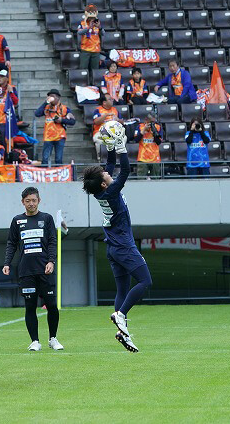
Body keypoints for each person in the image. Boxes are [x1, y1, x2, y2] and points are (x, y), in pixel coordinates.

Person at [81, 128, 151, 353]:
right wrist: (121, 148)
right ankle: (120, 315)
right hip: (123, 246)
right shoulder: (110, 191)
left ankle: (124, 333)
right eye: (106, 176)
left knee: (122, 289)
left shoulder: (102, 190)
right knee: (145, 281)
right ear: (104, 184)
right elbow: (126, 171)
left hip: (113, 248)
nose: (108, 174)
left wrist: (110, 146)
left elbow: (109, 166)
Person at [3, 187, 63, 352]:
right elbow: (11, 244)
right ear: (23, 202)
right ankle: (35, 341)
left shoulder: (47, 218)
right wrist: (7, 263)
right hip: (26, 271)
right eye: (28, 201)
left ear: (39, 201)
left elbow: (52, 241)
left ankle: (53, 338)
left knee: (52, 305)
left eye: (34, 200)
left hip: (45, 270)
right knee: (30, 306)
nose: (31, 203)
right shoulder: (17, 221)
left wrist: (51, 261)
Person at [34, 89, 75, 166]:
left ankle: (58, 173)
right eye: (49, 96)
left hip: (60, 136)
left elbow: (73, 121)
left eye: (52, 96)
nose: (51, 98)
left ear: (58, 97)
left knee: (58, 159)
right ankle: (45, 173)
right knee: (45, 159)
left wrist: (62, 120)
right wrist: (45, 102)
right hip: (48, 136)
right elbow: (37, 114)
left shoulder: (64, 108)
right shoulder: (46, 107)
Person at [133, 114, 162, 179]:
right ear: (146, 120)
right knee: (141, 179)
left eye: (153, 122)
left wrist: (154, 133)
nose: (152, 124)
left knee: (156, 179)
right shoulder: (140, 127)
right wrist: (143, 130)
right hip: (143, 158)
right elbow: (136, 140)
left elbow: (159, 142)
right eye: (151, 122)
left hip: (155, 158)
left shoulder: (158, 127)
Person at [91, 94, 119, 160]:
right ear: (104, 102)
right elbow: (96, 122)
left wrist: (118, 120)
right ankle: (100, 159)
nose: (112, 100)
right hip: (100, 132)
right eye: (110, 99)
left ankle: (117, 159)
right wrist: (105, 115)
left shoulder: (115, 110)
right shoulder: (97, 110)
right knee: (99, 140)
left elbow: (122, 121)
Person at [77, 5, 103, 72]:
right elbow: (79, 32)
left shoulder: (97, 23)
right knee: (83, 69)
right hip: (85, 49)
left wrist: (99, 27)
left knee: (95, 70)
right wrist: (88, 27)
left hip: (96, 50)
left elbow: (103, 34)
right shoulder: (82, 23)